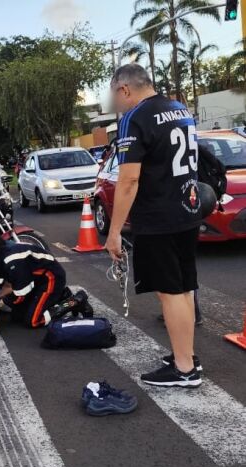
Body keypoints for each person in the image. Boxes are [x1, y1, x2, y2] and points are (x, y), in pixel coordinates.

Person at [107, 63, 203, 388]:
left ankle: (184, 369)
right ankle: (185, 354)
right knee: (184, 287)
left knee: (170, 292)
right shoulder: (179, 108)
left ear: (125, 89)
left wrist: (114, 231)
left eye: (115, 95)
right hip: (187, 211)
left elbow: (129, 180)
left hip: (158, 218)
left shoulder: (135, 118)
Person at [0, 237, 86, 328]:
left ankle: (74, 301)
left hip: (51, 278)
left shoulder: (12, 262)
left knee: (33, 321)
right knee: (17, 316)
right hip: (35, 279)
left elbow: (20, 294)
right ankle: (62, 295)